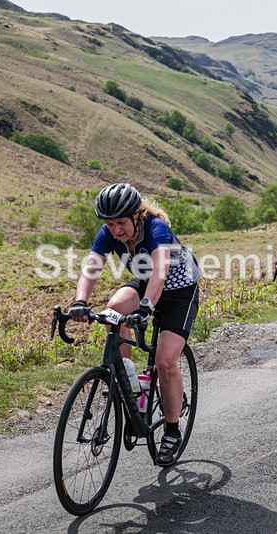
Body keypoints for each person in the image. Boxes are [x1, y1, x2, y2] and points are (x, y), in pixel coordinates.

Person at [67, 183, 200, 467]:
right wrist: (80, 302)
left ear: (136, 216)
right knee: (113, 310)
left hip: (179, 290)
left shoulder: (156, 229)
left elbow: (161, 274)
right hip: (146, 282)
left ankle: (172, 431)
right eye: (110, 224)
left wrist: (147, 308)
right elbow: (91, 268)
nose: (116, 230)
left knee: (165, 361)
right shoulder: (109, 234)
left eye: (121, 223)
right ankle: (129, 382)